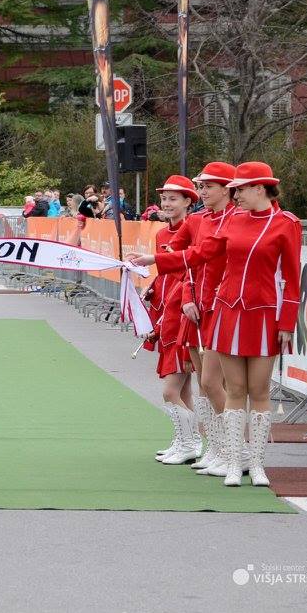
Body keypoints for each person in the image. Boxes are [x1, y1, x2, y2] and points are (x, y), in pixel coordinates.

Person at [130, 162, 301, 487]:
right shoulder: (231, 220)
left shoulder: (286, 223)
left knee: (258, 390)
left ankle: (256, 464)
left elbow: (292, 278)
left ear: (260, 188)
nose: (236, 195)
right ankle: (234, 460)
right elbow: (200, 254)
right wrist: (156, 260)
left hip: (264, 314)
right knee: (228, 388)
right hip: (227, 312)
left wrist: (287, 322)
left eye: (240, 189)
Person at [166, 162, 235, 477]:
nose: (203, 191)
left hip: (221, 308)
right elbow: (185, 262)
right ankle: (216, 448)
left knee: (218, 383)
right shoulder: (197, 220)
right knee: (204, 384)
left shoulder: (235, 220)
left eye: (209, 186)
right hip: (196, 308)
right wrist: (187, 298)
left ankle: (234, 450)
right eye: (201, 186)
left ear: (226, 189)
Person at [142, 176, 201, 465]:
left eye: (173, 199)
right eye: (164, 198)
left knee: (170, 390)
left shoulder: (195, 231)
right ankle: (186, 440)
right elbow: (165, 273)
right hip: (164, 313)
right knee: (184, 388)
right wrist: (152, 287)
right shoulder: (162, 234)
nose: (166, 204)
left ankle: (191, 442)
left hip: (181, 315)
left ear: (188, 201)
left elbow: (187, 274)